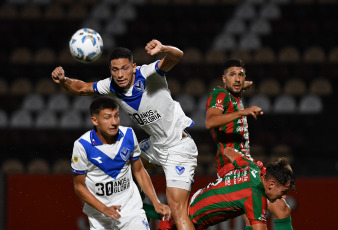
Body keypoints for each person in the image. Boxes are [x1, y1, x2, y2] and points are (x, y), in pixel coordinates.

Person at [52, 39, 198, 230]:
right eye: (115, 70)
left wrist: (164, 49)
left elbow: (177, 56)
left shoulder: (147, 74)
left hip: (178, 145)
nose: (120, 75)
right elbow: (81, 88)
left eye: (125, 68)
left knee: (178, 210)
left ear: (134, 67)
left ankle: (144, 208)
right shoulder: (111, 86)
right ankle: (139, 208)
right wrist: (63, 80)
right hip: (155, 145)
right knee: (125, 165)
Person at [205, 59, 293, 230]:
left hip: (247, 164)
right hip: (231, 165)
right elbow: (210, 121)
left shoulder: (233, 95)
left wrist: (243, 85)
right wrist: (242, 112)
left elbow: (241, 84)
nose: (237, 79)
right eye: (232, 75)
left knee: (282, 210)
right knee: (254, 220)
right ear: (223, 78)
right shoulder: (220, 94)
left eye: (241, 74)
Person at [71, 97, 170, 229]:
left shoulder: (128, 135)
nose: (114, 122)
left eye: (116, 116)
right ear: (95, 120)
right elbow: (79, 187)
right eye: (107, 117)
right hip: (100, 216)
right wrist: (104, 208)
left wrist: (156, 202)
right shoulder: (82, 146)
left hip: (131, 209)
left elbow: (139, 171)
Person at [158, 148, 296, 230]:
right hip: (179, 223)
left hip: (183, 209)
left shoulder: (252, 167)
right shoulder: (256, 197)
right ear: (271, 184)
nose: (282, 197)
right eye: (283, 192)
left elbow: (228, 151)